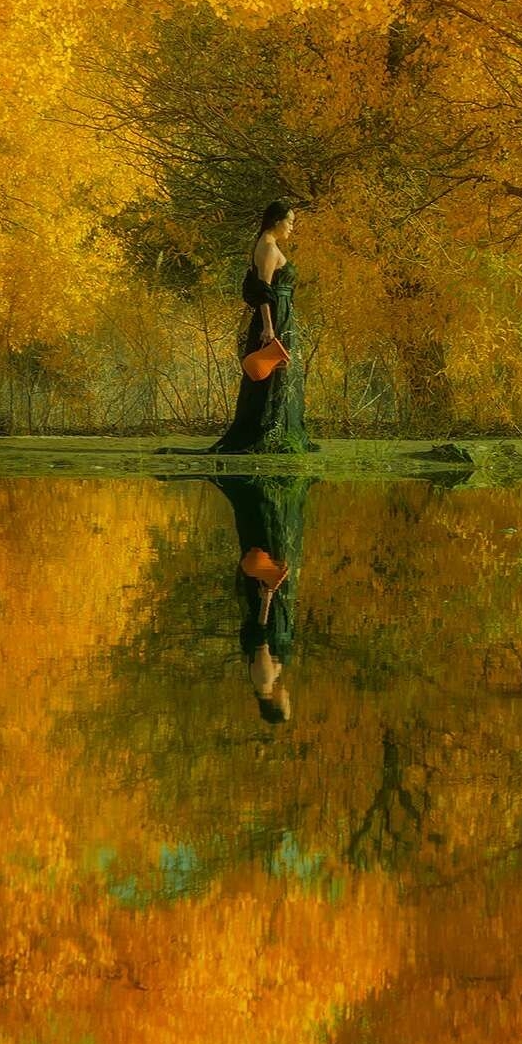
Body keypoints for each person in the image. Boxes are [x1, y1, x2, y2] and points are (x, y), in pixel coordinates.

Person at [207, 200, 310, 455]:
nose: (291, 228)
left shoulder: (271, 245)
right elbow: (262, 290)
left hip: (282, 314)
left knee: (281, 372)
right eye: (290, 222)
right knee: (270, 371)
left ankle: (280, 431)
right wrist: (268, 327)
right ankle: (265, 432)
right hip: (274, 317)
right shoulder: (266, 247)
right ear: (276, 220)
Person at [211, 474, 303, 724]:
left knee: (264, 537)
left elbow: (260, 637)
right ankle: (252, 488)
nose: (288, 698)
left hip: (266, 600)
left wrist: (268, 598)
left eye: (286, 704)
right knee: (263, 536)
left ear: (274, 703)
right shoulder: (265, 681)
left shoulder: (264, 680)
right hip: (266, 600)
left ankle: (253, 486)